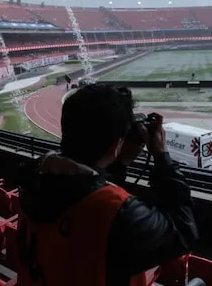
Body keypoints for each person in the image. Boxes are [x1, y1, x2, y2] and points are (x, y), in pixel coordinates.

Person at [16, 84, 198, 286]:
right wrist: (162, 157)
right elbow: (183, 230)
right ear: (115, 146)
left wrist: (119, 162)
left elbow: (88, 192)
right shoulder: (114, 210)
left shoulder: (33, 176)